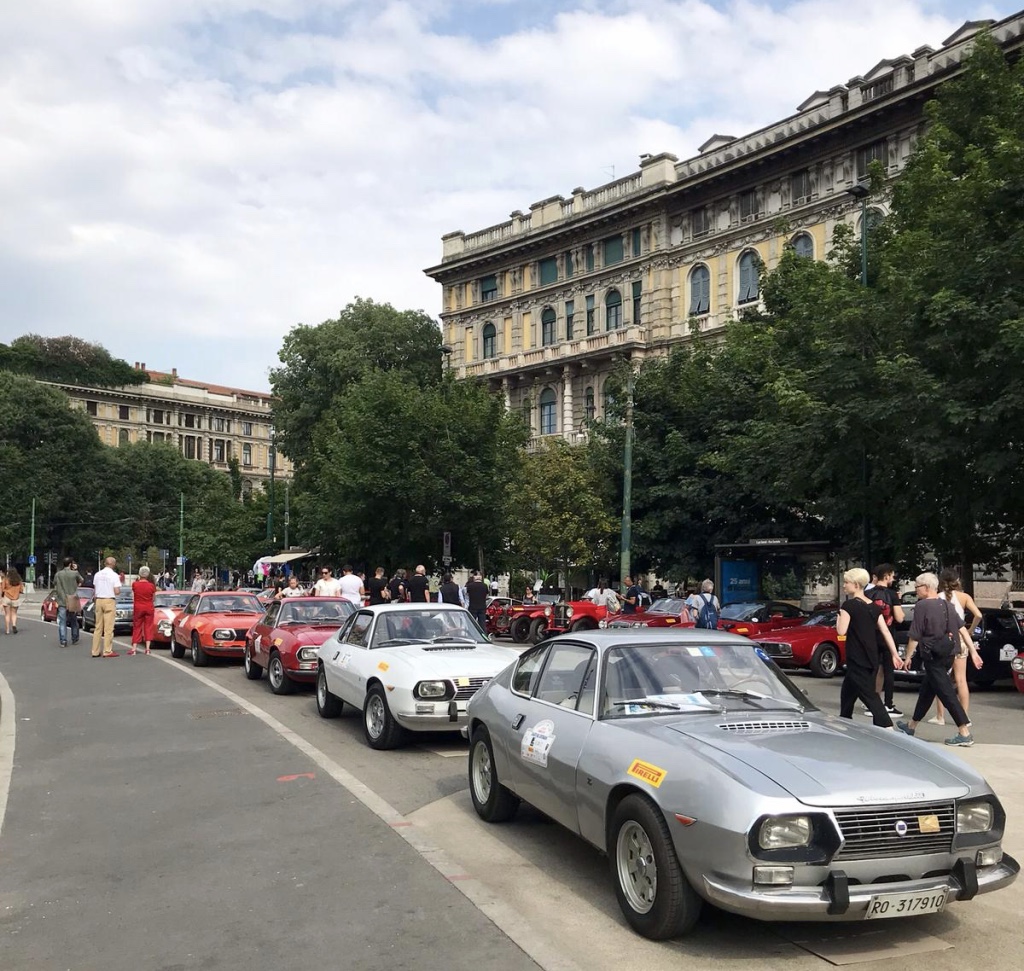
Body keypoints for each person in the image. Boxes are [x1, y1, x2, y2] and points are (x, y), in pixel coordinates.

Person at [897, 572, 974, 746]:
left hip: (932, 654)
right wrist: (973, 651)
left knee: (946, 693)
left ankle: (964, 731)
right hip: (949, 652)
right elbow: (961, 629)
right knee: (927, 690)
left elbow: (915, 635)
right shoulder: (947, 605)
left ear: (926, 588)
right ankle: (911, 725)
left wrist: (907, 656)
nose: (915, 590)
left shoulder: (922, 606)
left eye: (917, 587)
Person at [836, 568, 903, 728]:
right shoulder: (874, 607)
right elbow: (885, 630)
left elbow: (841, 631)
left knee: (869, 695)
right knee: (848, 691)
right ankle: (845, 719)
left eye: (846, 582)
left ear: (856, 584)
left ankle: (885, 725)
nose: (844, 585)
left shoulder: (848, 605)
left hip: (856, 655)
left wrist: (838, 618)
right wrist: (894, 653)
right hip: (871, 655)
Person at [929, 569, 983, 726]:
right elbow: (978, 615)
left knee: (941, 678)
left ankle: (940, 716)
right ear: (957, 580)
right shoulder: (964, 597)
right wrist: (970, 630)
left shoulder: (936, 597)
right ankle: (964, 716)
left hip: (942, 639)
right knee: (961, 680)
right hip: (961, 638)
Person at [862, 564, 906, 717]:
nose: (893, 579)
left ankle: (871, 703)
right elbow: (900, 618)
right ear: (886, 576)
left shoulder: (866, 593)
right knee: (888, 670)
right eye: (892, 576)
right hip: (887, 636)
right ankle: (888, 704)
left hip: (870, 636)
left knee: (873, 669)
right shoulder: (892, 594)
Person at [91, 556, 122, 658]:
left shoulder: (97, 574)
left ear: (105, 563)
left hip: (99, 599)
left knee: (98, 627)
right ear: (113, 564)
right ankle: (107, 650)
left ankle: (95, 651)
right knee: (108, 628)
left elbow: (95, 589)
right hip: (109, 600)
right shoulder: (114, 575)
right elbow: (117, 591)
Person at [53, 556, 84, 647]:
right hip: (72, 599)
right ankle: (75, 637)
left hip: (62, 600)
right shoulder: (75, 573)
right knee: (73, 620)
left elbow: (54, 583)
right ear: (70, 564)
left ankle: (63, 640)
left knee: (62, 621)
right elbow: (81, 580)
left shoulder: (58, 574)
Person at [130, 565, 156, 656]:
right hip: (149, 607)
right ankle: (148, 649)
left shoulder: (135, 584)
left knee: (137, 627)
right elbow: (153, 598)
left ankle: (134, 648)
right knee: (148, 627)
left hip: (138, 607)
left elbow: (134, 594)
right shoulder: (152, 586)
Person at [2, 569, 25, 635]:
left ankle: (7, 630)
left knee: (7, 614)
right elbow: (21, 590)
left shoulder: (6, 579)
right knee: (14, 613)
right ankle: (14, 625)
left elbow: (3, 588)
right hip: (15, 598)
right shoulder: (18, 580)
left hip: (7, 597)